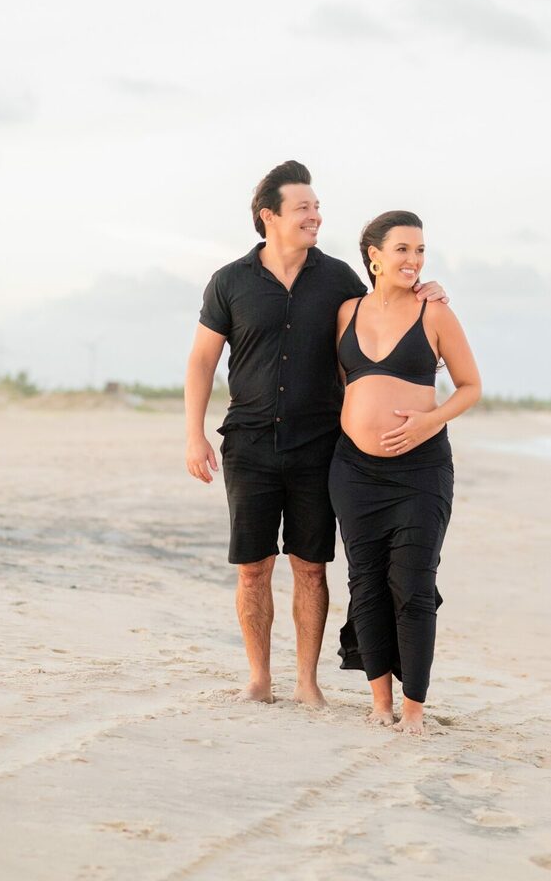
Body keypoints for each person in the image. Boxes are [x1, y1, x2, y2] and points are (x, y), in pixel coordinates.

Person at [184, 162, 447, 707]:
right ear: (269, 216)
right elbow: (202, 361)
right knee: (252, 569)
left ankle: (307, 682)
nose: (316, 216)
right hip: (249, 443)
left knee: (310, 567)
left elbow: (385, 308)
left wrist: (426, 289)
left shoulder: (339, 279)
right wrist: (194, 435)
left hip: (320, 446)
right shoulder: (229, 282)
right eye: (304, 207)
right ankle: (260, 679)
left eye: (317, 206)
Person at [329, 210, 481, 734]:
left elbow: (470, 386)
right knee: (366, 584)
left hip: (420, 470)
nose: (414, 260)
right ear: (374, 256)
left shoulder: (434, 313)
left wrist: (427, 422)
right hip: (353, 471)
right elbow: (342, 384)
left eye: (420, 250)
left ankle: (413, 708)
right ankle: (380, 703)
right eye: (402, 249)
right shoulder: (346, 312)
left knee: (413, 584)